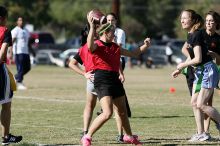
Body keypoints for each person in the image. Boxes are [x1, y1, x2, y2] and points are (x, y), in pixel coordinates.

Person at [80, 13, 150, 146]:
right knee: (107, 113)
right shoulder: (97, 45)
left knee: (122, 112)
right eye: (113, 33)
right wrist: (91, 26)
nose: (115, 35)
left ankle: (129, 136)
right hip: (102, 79)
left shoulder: (115, 47)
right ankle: (87, 137)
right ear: (105, 33)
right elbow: (89, 46)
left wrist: (145, 45)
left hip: (115, 79)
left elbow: (133, 53)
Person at [172, 9, 220, 142]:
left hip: (208, 71)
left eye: (185, 18)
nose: (182, 20)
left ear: (193, 20)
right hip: (200, 72)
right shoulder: (192, 35)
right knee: (194, 103)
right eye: (181, 18)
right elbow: (192, 57)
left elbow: (198, 59)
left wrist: (181, 65)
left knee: (202, 105)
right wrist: (180, 70)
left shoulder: (196, 35)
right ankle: (201, 133)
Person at [106, 12, 132, 142]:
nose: (110, 22)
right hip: (106, 64)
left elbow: (117, 50)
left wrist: (121, 72)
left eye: (112, 20)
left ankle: (121, 134)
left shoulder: (120, 32)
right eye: (108, 20)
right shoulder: (103, 31)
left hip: (117, 62)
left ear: (116, 21)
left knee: (117, 103)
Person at [0, 6, 23, 145]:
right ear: (2, 18)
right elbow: (2, 54)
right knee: (6, 104)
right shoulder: (5, 31)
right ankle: (6, 136)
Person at [10, 16, 31, 90]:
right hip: (19, 52)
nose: (21, 22)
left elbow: (28, 43)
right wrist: (11, 52)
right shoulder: (15, 30)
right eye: (20, 20)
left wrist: (32, 51)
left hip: (26, 52)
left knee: (28, 68)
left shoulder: (26, 31)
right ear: (17, 22)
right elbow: (11, 42)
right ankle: (19, 82)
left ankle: (15, 78)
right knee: (20, 69)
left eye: (22, 20)